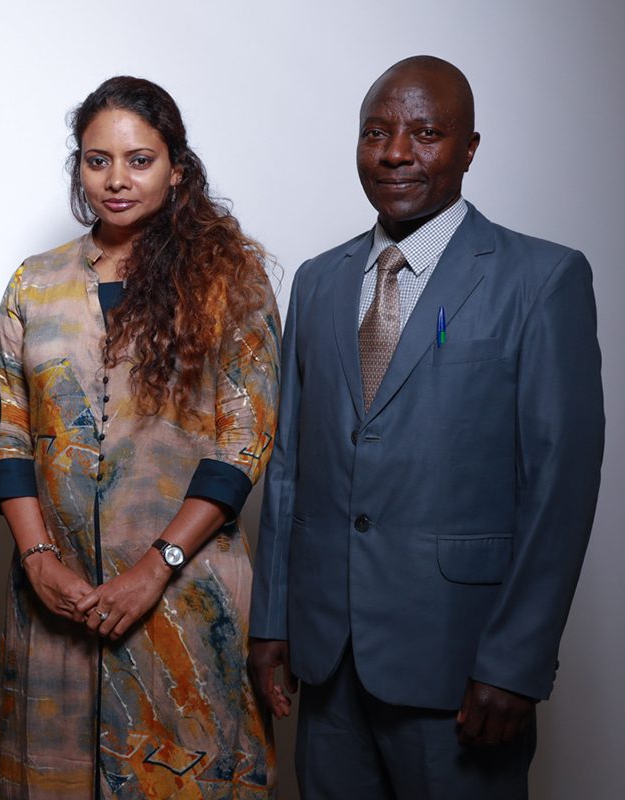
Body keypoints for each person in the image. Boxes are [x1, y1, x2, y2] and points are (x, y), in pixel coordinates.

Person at [248, 55, 605, 799]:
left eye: (426, 133)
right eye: (376, 132)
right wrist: (272, 617)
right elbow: (288, 467)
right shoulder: (317, 281)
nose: (396, 153)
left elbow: (559, 486)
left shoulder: (541, 280)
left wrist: (515, 659)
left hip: (462, 666)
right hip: (329, 657)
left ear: (470, 148)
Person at [0, 76, 280, 799]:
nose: (115, 180)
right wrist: (37, 560)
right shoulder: (36, 282)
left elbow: (245, 440)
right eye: (96, 160)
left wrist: (155, 567)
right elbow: (7, 430)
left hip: (183, 596)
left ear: (177, 167)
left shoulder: (231, 279)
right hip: (59, 599)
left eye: (139, 160)